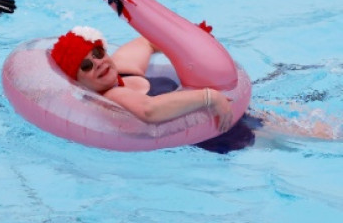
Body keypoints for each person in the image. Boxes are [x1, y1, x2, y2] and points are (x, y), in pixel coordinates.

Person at [50, 26, 338, 153]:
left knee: (313, 124)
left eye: (98, 53)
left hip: (232, 110)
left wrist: (192, 41)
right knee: (311, 139)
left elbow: (148, 40)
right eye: (85, 67)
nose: (97, 64)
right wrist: (208, 98)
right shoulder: (114, 95)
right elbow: (149, 111)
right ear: (80, 82)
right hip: (219, 133)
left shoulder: (123, 68)